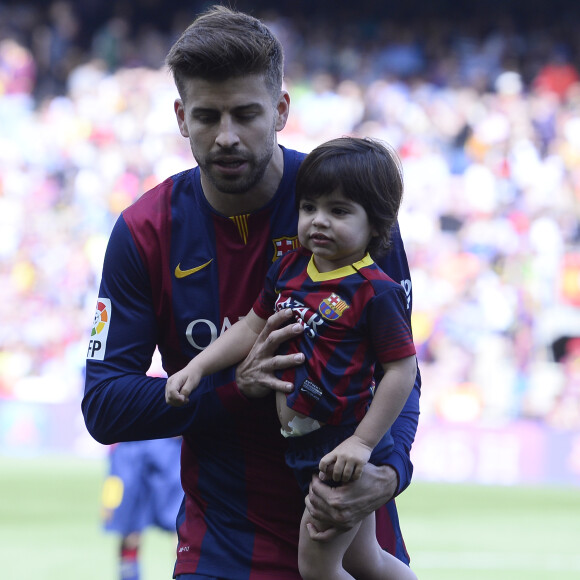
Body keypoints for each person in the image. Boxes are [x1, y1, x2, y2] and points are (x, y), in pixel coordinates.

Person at [82, 6, 421, 578]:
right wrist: (233, 390)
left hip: (352, 537)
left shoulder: (347, 210)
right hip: (222, 548)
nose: (227, 136)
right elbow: (104, 404)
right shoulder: (143, 232)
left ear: (282, 109)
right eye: (208, 116)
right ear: (180, 117)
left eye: (246, 114)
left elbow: (400, 369)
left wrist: (387, 473)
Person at [166, 136, 418, 580]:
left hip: (341, 445)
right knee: (365, 560)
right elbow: (249, 326)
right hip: (306, 443)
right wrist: (197, 366)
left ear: (377, 226)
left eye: (339, 211)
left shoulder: (375, 291)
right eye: (309, 207)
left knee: (317, 568)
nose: (318, 221)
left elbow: (402, 369)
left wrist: (361, 443)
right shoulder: (290, 269)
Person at [101, 439, 183, 580]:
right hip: (128, 442)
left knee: (182, 529)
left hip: (168, 441)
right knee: (129, 530)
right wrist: (108, 500)